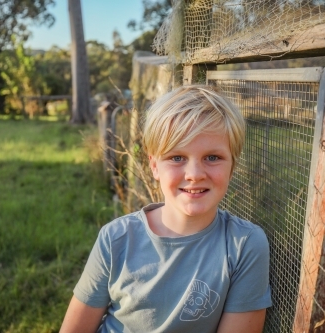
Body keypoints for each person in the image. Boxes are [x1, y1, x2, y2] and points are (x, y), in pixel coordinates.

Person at [60, 85, 272, 333]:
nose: (194, 175)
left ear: (232, 166)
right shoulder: (116, 238)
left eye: (212, 157)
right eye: (177, 157)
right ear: (154, 167)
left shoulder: (244, 244)